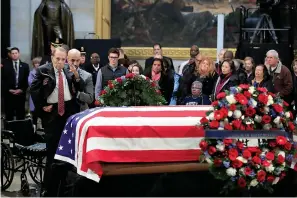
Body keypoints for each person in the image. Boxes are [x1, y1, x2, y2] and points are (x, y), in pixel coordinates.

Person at [30, 47, 84, 196]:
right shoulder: (43, 70)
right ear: (52, 57)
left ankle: (64, 186)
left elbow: (77, 89)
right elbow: (34, 90)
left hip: (67, 112)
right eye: (57, 59)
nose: (60, 62)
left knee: (66, 152)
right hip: (52, 114)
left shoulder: (68, 69)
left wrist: (76, 77)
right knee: (52, 153)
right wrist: (41, 107)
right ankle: (49, 188)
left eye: (63, 59)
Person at [1, 47, 30, 121]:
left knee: (20, 115)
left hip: (20, 94)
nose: (14, 55)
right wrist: (9, 90)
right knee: (9, 115)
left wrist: (22, 90)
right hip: (9, 94)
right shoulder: (5, 66)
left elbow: (27, 80)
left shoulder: (25, 66)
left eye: (16, 53)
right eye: (12, 53)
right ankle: (9, 131)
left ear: (19, 54)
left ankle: (20, 132)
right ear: (10, 54)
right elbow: (3, 80)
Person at [28, 56, 42, 126]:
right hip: (34, 96)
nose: (37, 64)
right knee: (34, 115)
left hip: (42, 96)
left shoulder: (44, 72)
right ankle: (34, 128)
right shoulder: (31, 73)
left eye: (39, 63)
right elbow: (31, 84)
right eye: (35, 63)